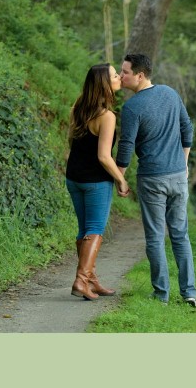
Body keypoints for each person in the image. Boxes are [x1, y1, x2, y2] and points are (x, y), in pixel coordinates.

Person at [116, 53, 196, 307]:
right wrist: (183, 162)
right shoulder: (171, 94)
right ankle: (189, 293)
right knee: (180, 235)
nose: (121, 76)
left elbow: (126, 147)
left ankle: (161, 294)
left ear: (140, 75)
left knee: (154, 237)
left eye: (125, 72)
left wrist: (119, 177)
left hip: (152, 178)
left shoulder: (131, 108)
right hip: (177, 176)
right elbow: (188, 129)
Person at [65, 63, 130, 300]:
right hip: (95, 181)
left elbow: (72, 143)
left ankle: (90, 279)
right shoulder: (107, 116)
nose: (119, 78)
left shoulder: (77, 108)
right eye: (115, 76)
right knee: (94, 230)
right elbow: (104, 156)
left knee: (84, 230)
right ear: (105, 84)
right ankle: (81, 281)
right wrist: (121, 179)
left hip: (74, 178)